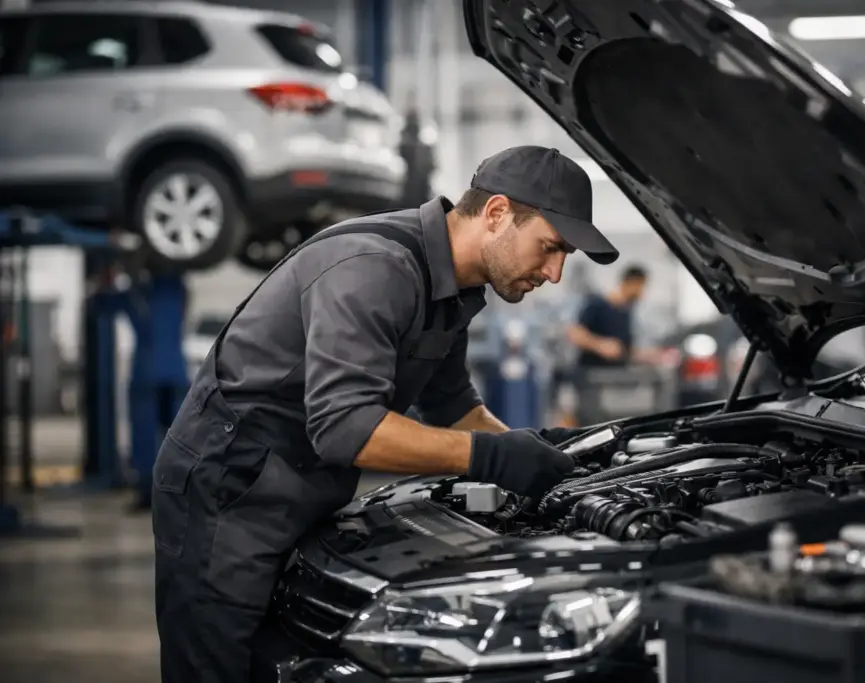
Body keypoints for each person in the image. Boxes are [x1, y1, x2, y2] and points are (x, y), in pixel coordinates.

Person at [150, 145, 618, 683]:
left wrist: (538, 455)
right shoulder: (377, 268)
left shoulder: (454, 288)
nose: (555, 273)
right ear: (496, 214)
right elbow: (345, 429)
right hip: (226, 493)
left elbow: (453, 405)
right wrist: (491, 457)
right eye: (550, 247)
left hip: (296, 487)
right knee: (217, 669)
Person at [567, 264, 651, 367]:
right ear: (631, 283)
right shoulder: (597, 304)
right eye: (641, 286)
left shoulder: (626, 312)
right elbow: (575, 334)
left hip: (616, 375)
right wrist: (600, 345)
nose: (642, 293)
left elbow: (624, 349)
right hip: (592, 374)